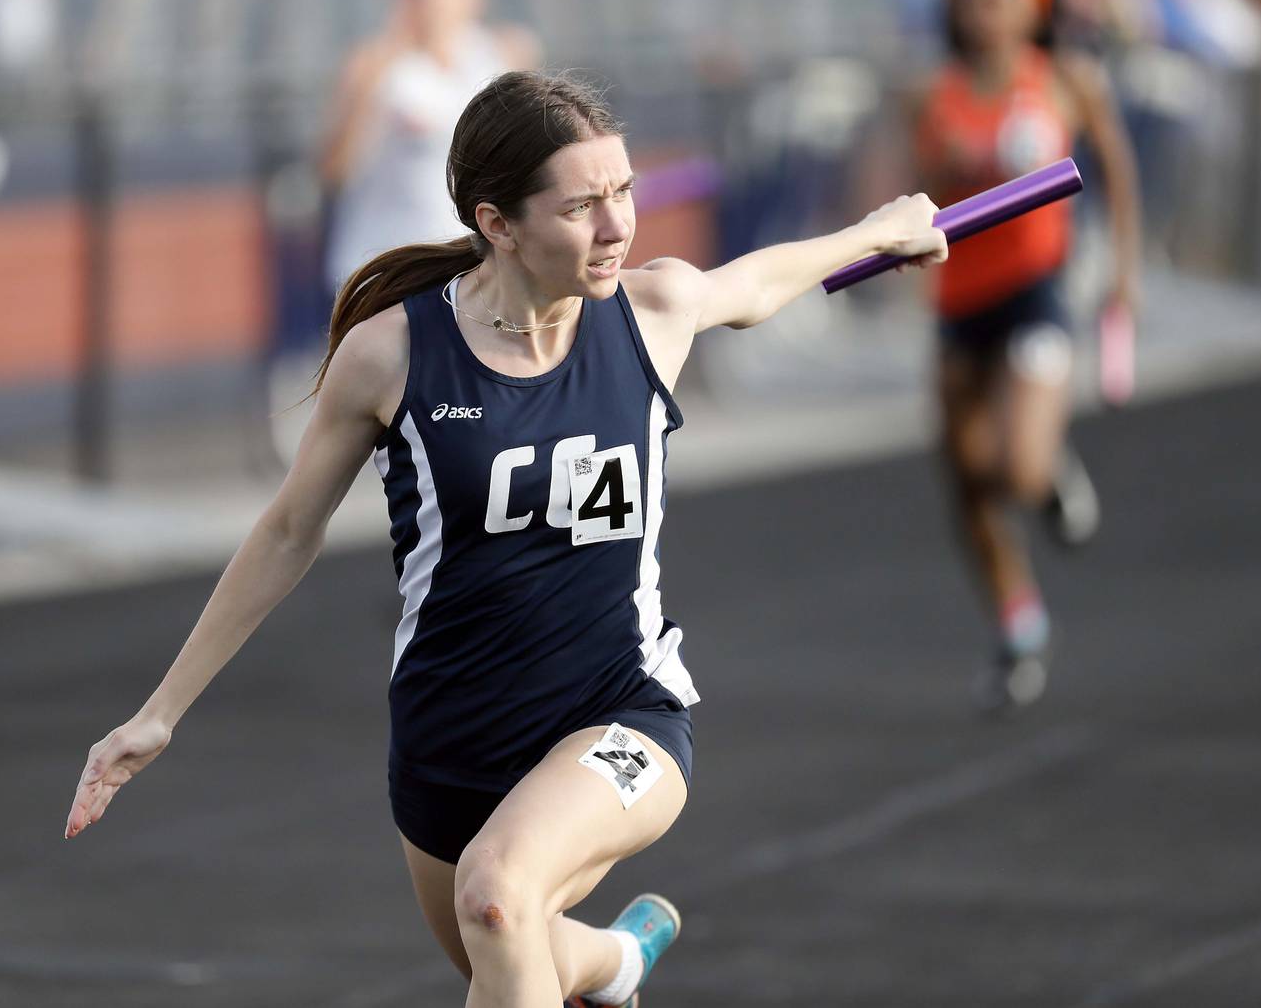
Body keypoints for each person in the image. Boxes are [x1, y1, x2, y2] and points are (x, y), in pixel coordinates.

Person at [65, 71, 947, 1007]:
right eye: (581, 206)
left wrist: (881, 233)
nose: (617, 228)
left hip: (621, 717)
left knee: (499, 897)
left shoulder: (652, 315)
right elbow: (287, 529)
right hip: (449, 750)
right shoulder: (391, 355)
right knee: (511, 941)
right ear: (499, 223)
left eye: (624, 193)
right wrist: (160, 711)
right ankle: (614, 960)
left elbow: (760, 283)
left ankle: (601, 957)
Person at [911, 0, 1141, 712]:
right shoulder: (931, 95)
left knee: (1017, 465)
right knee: (967, 476)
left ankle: (1049, 478)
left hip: (1036, 290)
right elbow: (899, 193)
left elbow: (1115, 167)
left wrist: (1123, 275)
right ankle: (1018, 624)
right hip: (957, 303)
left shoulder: (1066, 80)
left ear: (1033, 3)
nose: (985, 6)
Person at [320, 0, 541, 294]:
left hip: (473, 266)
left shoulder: (503, 55)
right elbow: (334, 171)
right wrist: (365, 91)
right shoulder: (375, 65)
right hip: (389, 269)